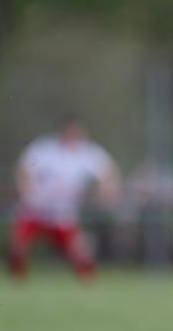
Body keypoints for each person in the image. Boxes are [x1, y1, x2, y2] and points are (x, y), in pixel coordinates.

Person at [8, 116, 120, 280]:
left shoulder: (87, 153)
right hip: (35, 208)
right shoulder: (45, 149)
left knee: (80, 253)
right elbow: (23, 168)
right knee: (18, 247)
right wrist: (25, 188)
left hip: (62, 213)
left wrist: (107, 190)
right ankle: (16, 283)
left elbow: (109, 173)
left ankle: (90, 285)